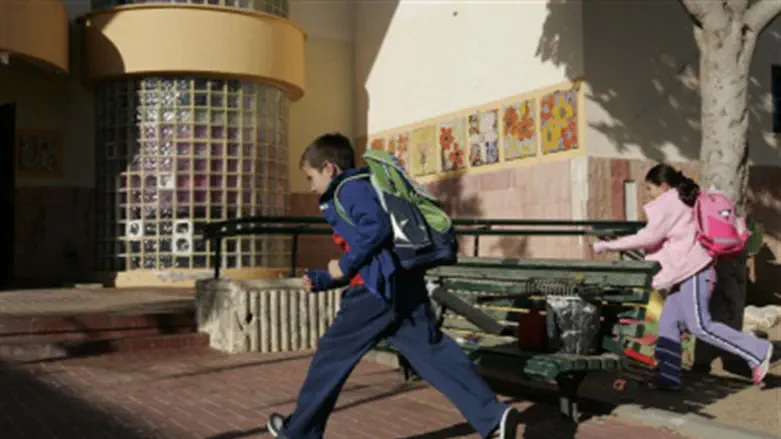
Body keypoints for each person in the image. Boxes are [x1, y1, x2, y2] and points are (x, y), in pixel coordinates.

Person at [266, 133, 519, 439]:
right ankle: (493, 417)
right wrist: (324, 278)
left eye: (310, 177)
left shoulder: (348, 189)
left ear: (329, 168)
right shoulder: (365, 185)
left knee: (329, 359)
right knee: (433, 351)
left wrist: (343, 267)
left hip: (373, 295)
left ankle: (299, 434)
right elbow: (375, 249)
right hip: (402, 285)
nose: (310, 186)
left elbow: (375, 228)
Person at [593, 164, 778, 391]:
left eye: (650, 189)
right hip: (685, 273)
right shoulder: (683, 198)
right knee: (668, 323)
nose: (648, 194)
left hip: (694, 271)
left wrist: (607, 245)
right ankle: (668, 375)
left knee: (701, 326)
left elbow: (649, 235)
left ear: (663, 186)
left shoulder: (670, 202)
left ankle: (757, 351)